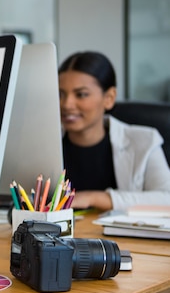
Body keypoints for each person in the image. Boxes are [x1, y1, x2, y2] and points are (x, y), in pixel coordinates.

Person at [58, 50, 170, 211]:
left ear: (109, 98)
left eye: (81, 94)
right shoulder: (44, 143)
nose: (66, 104)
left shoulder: (144, 140)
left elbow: (167, 198)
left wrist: (93, 198)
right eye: (61, 94)